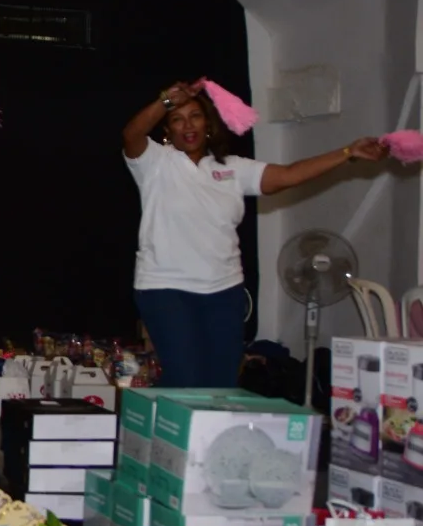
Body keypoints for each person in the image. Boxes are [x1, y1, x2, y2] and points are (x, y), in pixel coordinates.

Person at [122, 80, 387, 388]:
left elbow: (288, 175)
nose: (188, 125)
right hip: (166, 290)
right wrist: (166, 100)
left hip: (224, 292)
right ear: (168, 130)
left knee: (221, 384)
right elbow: (131, 135)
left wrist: (348, 152)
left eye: (195, 116)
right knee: (186, 380)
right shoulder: (155, 163)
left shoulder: (234, 169)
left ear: (208, 123)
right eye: (177, 120)